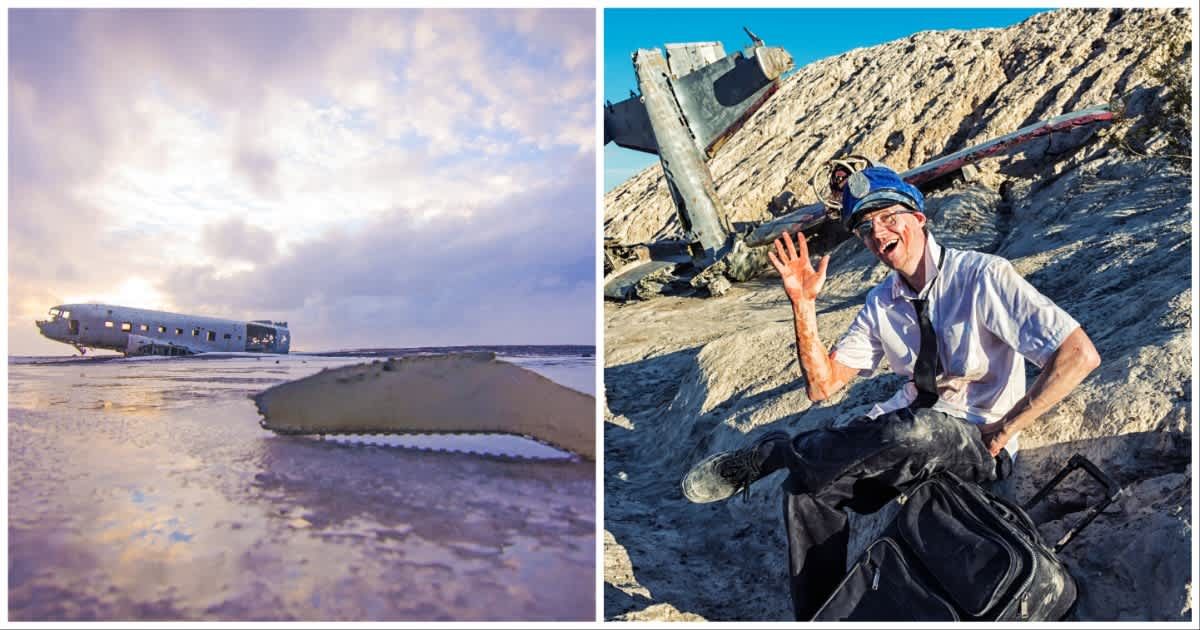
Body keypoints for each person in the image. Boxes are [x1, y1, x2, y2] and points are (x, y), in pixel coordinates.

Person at [681, 165, 1101, 619]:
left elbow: (1078, 354)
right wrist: (803, 305)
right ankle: (821, 617)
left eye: (887, 216)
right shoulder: (882, 301)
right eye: (864, 228)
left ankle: (777, 452)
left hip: (970, 438)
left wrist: (1006, 428)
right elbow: (823, 386)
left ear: (918, 217)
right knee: (806, 490)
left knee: (917, 430)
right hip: (900, 437)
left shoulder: (982, 276)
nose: (877, 233)